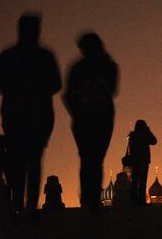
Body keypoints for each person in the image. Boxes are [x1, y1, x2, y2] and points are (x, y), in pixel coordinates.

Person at [0, 13, 62, 217]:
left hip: (18, 115)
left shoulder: (9, 55)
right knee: (31, 160)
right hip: (36, 115)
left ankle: (20, 202)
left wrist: (17, 91)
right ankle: (28, 203)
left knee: (20, 160)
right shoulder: (44, 56)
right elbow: (56, 84)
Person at [63, 32, 119, 215]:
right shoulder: (109, 66)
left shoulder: (79, 68)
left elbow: (67, 95)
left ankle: (89, 199)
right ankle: (91, 199)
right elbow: (112, 90)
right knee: (94, 160)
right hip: (98, 116)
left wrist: (78, 112)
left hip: (90, 117)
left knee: (88, 160)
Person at [128, 120, 157, 206]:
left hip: (135, 161)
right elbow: (154, 141)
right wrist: (148, 131)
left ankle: (134, 201)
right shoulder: (145, 135)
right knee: (142, 181)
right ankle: (141, 202)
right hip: (143, 161)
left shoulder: (132, 135)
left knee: (135, 181)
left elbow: (131, 148)